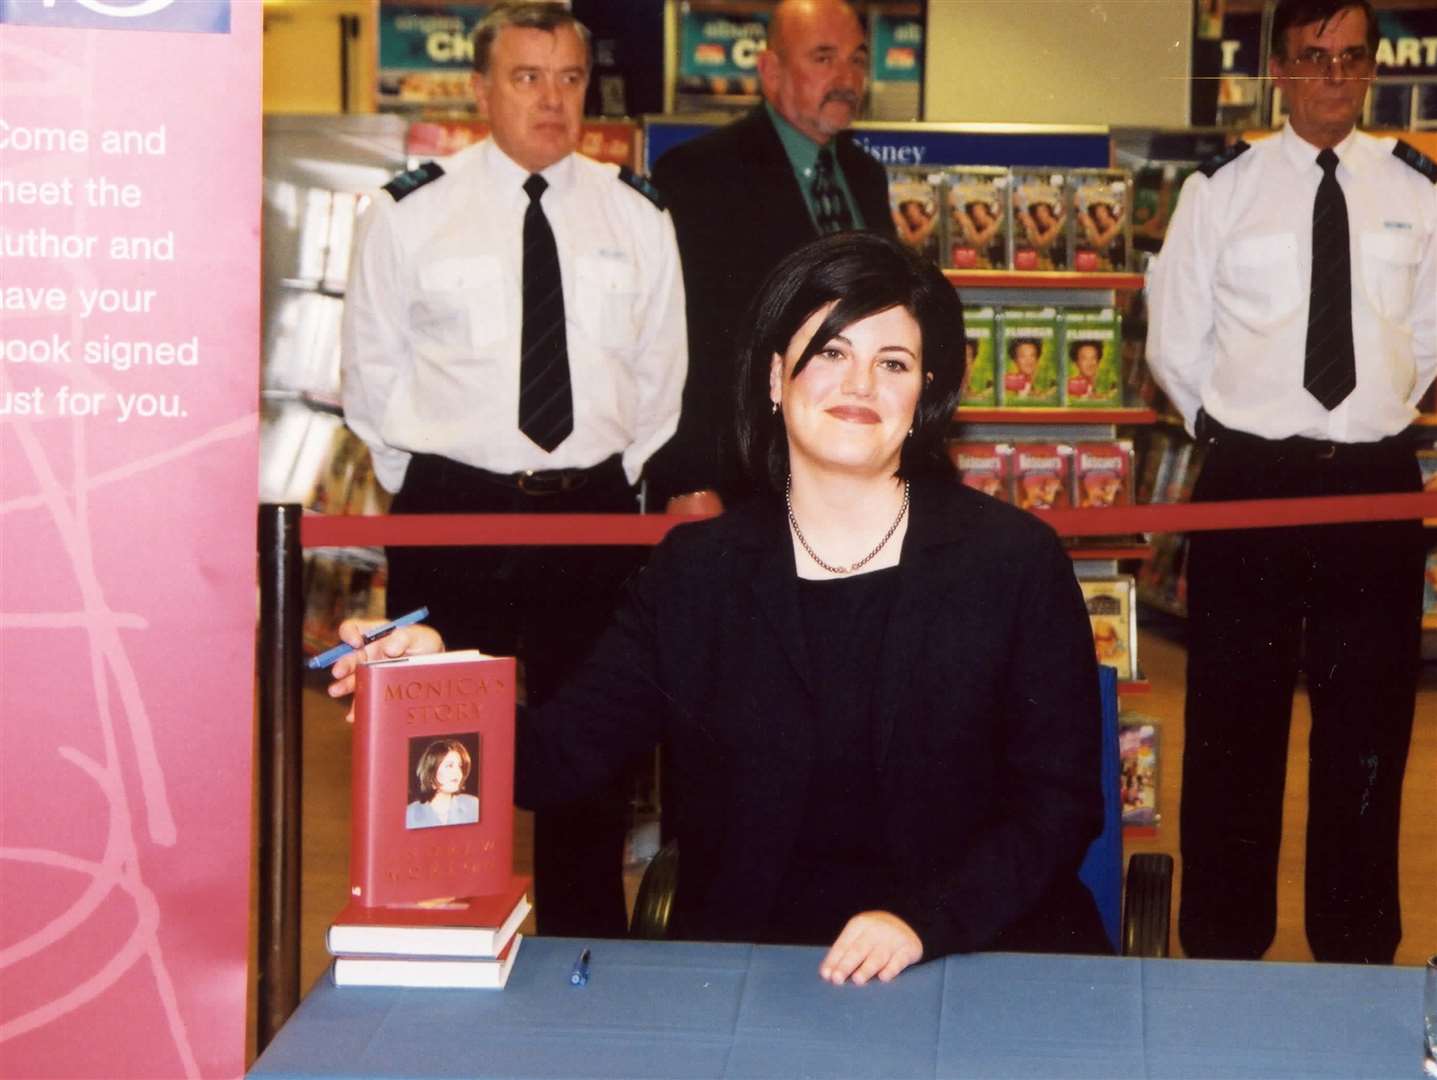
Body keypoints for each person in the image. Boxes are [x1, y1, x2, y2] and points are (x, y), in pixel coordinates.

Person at [329, 233, 1111, 984]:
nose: (860, 384)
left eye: (893, 362)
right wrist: (435, 686)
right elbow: (561, 759)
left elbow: (1058, 804)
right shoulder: (696, 572)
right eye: (830, 352)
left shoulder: (1011, 561)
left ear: (927, 393)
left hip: (970, 952)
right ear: (775, 379)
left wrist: (921, 923)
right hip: (753, 969)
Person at [340, 1, 686, 938]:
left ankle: (587, 961)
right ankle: (442, 939)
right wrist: (445, 481)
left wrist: (604, 480)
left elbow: (661, 381)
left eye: (569, 78)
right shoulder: (411, 211)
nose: (551, 99)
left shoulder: (636, 215)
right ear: (482, 88)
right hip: (456, 514)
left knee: (592, 763)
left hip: (590, 518)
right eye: (527, 77)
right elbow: (371, 384)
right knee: (441, 759)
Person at [1145, 0, 1437, 964]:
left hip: (1374, 487)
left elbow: (1427, 340)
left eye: (1350, 58)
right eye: (1314, 58)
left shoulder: (1415, 190)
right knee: (1234, 725)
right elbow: (1174, 345)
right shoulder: (1220, 191)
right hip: (1252, 482)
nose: (1333, 78)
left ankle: (1355, 949)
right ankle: (1224, 946)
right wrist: (1238, 435)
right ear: (1277, 67)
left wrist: (1365, 418)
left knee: (1367, 732)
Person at [645, 0, 895, 512]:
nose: (846, 78)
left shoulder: (866, 175)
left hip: (851, 471)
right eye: (823, 58)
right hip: (743, 478)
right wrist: (688, 477)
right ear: (770, 70)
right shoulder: (699, 175)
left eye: (857, 60)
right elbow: (679, 343)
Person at [406, 739, 480, 829]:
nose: (458, 772)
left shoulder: (473, 805)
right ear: (431, 771)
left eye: (460, 766)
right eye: (450, 766)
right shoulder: (409, 814)